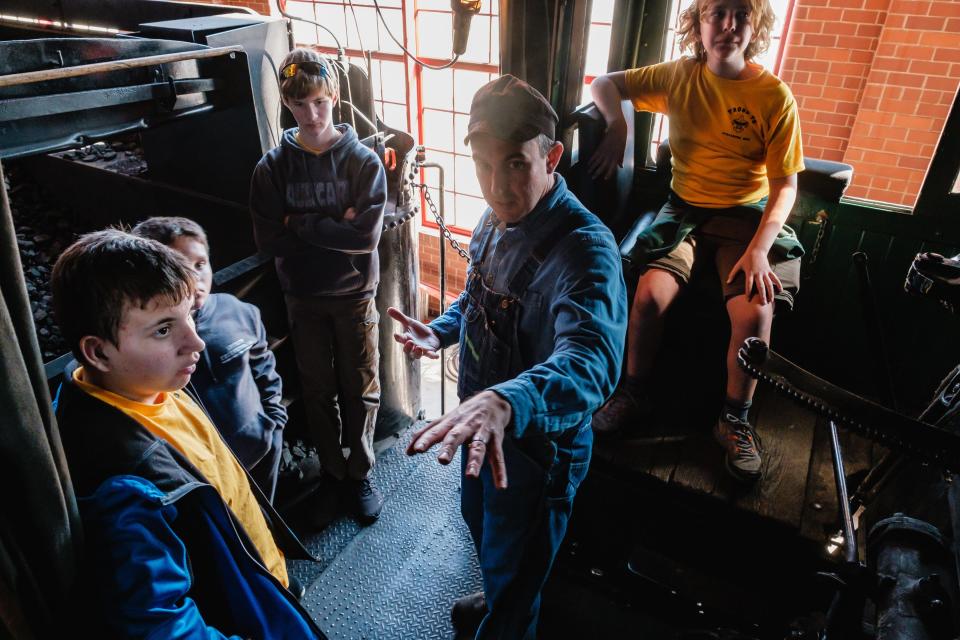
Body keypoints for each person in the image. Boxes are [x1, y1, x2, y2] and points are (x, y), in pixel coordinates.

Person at [389, 75, 627, 640]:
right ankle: (498, 591)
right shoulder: (496, 222)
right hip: (484, 432)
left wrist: (507, 399)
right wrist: (441, 332)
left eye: (516, 164)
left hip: (537, 455)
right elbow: (478, 299)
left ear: (552, 157)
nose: (498, 186)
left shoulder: (586, 251)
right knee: (485, 529)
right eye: (485, 165)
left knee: (519, 571)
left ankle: (508, 614)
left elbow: (591, 359)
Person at [50, 229, 323, 637]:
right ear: (99, 352)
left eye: (189, 316)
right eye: (163, 329)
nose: (194, 342)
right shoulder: (120, 482)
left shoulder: (148, 382)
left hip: (257, 576)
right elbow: (160, 625)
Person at [589, 0, 805, 482]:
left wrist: (759, 249)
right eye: (717, 14)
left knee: (754, 312)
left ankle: (734, 419)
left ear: (756, 26)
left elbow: (786, 185)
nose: (728, 25)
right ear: (699, 23)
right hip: (684, 210)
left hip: (745, 218)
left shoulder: (774, 96)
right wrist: (620, 124)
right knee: (648, 297)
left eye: (741, 16)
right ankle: (634, 394)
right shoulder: (678, 76)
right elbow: (605, 84)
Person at [249, 48, 388, 524]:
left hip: (353, 296)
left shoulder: (363, 162)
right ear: (287, 104)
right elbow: (269, 239)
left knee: (361, 387)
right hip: (303, 296)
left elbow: (365, 237)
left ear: (333, 97)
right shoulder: (271, 169)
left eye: (319, 102)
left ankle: (359, 472)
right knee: (316, 389)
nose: (311, 115)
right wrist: (333, 224)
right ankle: (332, 472)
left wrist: (300, 223)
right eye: (299, 105)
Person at [131, 216, 288, 503]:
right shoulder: (147, 344)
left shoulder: (239, 311)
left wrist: (273, 422)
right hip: (203, 478)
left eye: (200, 264)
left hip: (259, 451)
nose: (194, 278)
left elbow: (263, 365)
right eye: (179, 267)